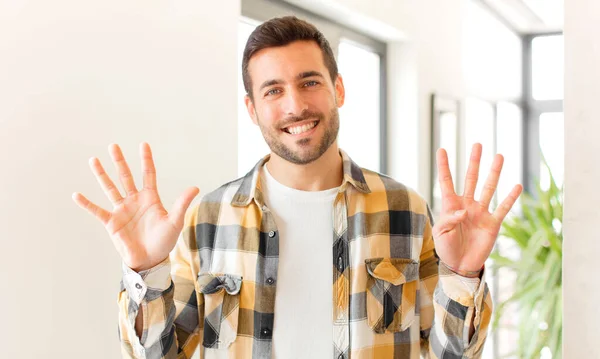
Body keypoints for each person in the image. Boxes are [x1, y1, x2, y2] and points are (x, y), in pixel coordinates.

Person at [72, 16, 522, 359]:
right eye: (273, 91)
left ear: (338, 89)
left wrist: (462, 278)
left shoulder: (404, 208)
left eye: (310, 82)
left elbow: (448, 354)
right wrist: (147, 271)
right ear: (252, 108)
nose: (295, 105)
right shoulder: (207, 219)